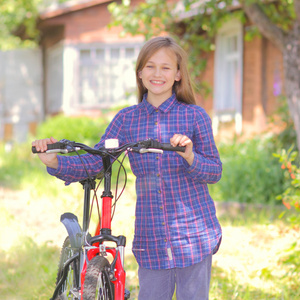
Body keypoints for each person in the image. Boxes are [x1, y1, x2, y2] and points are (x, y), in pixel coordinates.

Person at [32, 36, 222, 300]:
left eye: (166, 67)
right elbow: (99, 161)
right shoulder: (126, 119)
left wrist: (190, 156)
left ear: (178, 74)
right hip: (151, 236)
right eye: (150, 66)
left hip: (193, 234)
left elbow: (214, 171)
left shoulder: (194, 116)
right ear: (140, 73)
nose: (158, 74)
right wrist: (55, 162)